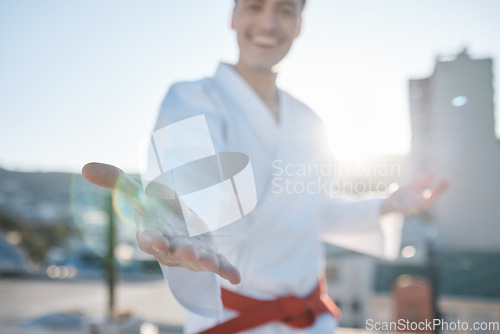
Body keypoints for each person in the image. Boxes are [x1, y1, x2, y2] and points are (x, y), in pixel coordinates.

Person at [82, 0, 448, 332]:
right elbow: (187, 172)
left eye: (285, 10)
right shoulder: (191, 97)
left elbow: (312, 210)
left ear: (300, 24)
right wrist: (182, 213)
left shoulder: (310, 120)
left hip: (314, 321)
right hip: (234, 322)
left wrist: (386, 204)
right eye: (255, 6)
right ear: (233, 16)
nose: (269, 22)